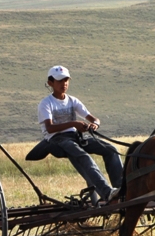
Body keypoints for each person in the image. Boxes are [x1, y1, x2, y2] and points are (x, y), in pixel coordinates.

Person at [37, 65, 122, 204]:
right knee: (84, 157)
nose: (64, 83)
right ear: (50, 83)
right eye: (59, 81)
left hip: (75, 137)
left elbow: (94, 119)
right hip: (57, 139)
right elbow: (50, 128)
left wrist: (95, 124)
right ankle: (108, 193)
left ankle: (121, 190)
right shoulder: (46, 103)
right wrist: (74, 124)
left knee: (111, 150)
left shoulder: (72, 100)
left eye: (66, 80)